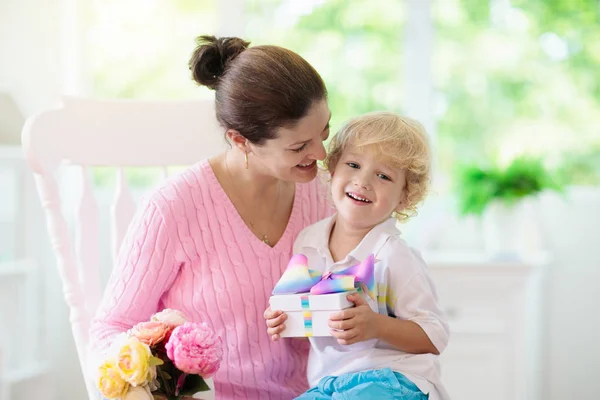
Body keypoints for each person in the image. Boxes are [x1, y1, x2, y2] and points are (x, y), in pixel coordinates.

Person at [89, 35, 334, 400]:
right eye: (299, 146)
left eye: (325, 131)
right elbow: (112, 327)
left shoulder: (326, 193)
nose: (321, 153)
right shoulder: (173, 207)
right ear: (240, 141)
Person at [265, 112, 451, 400]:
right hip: (330, 383)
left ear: (404, 195)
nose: (363, 181)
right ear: (334, 169)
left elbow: (434, 336)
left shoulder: (393, 255)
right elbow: (310, 316)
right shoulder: (308, 242)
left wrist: (377, 326)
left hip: (395, 379)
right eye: (353, 164)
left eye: (384, 176)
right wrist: (284, 318)